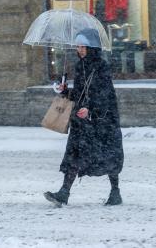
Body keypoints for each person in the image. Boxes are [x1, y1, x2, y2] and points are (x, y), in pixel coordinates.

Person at [44, 28, 124, 206]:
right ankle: (64, 192)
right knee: (74, 154)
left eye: (83, 46)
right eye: (78, 46)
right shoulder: (79, 67)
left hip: (102, 122)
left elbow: (106, 95)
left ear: (92, 47)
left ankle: (115, 191)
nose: (79, 49)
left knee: (108, 156)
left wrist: (92, 110)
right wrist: (65, 91)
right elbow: (79, 94)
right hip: (81, 121)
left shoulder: (102, 67)